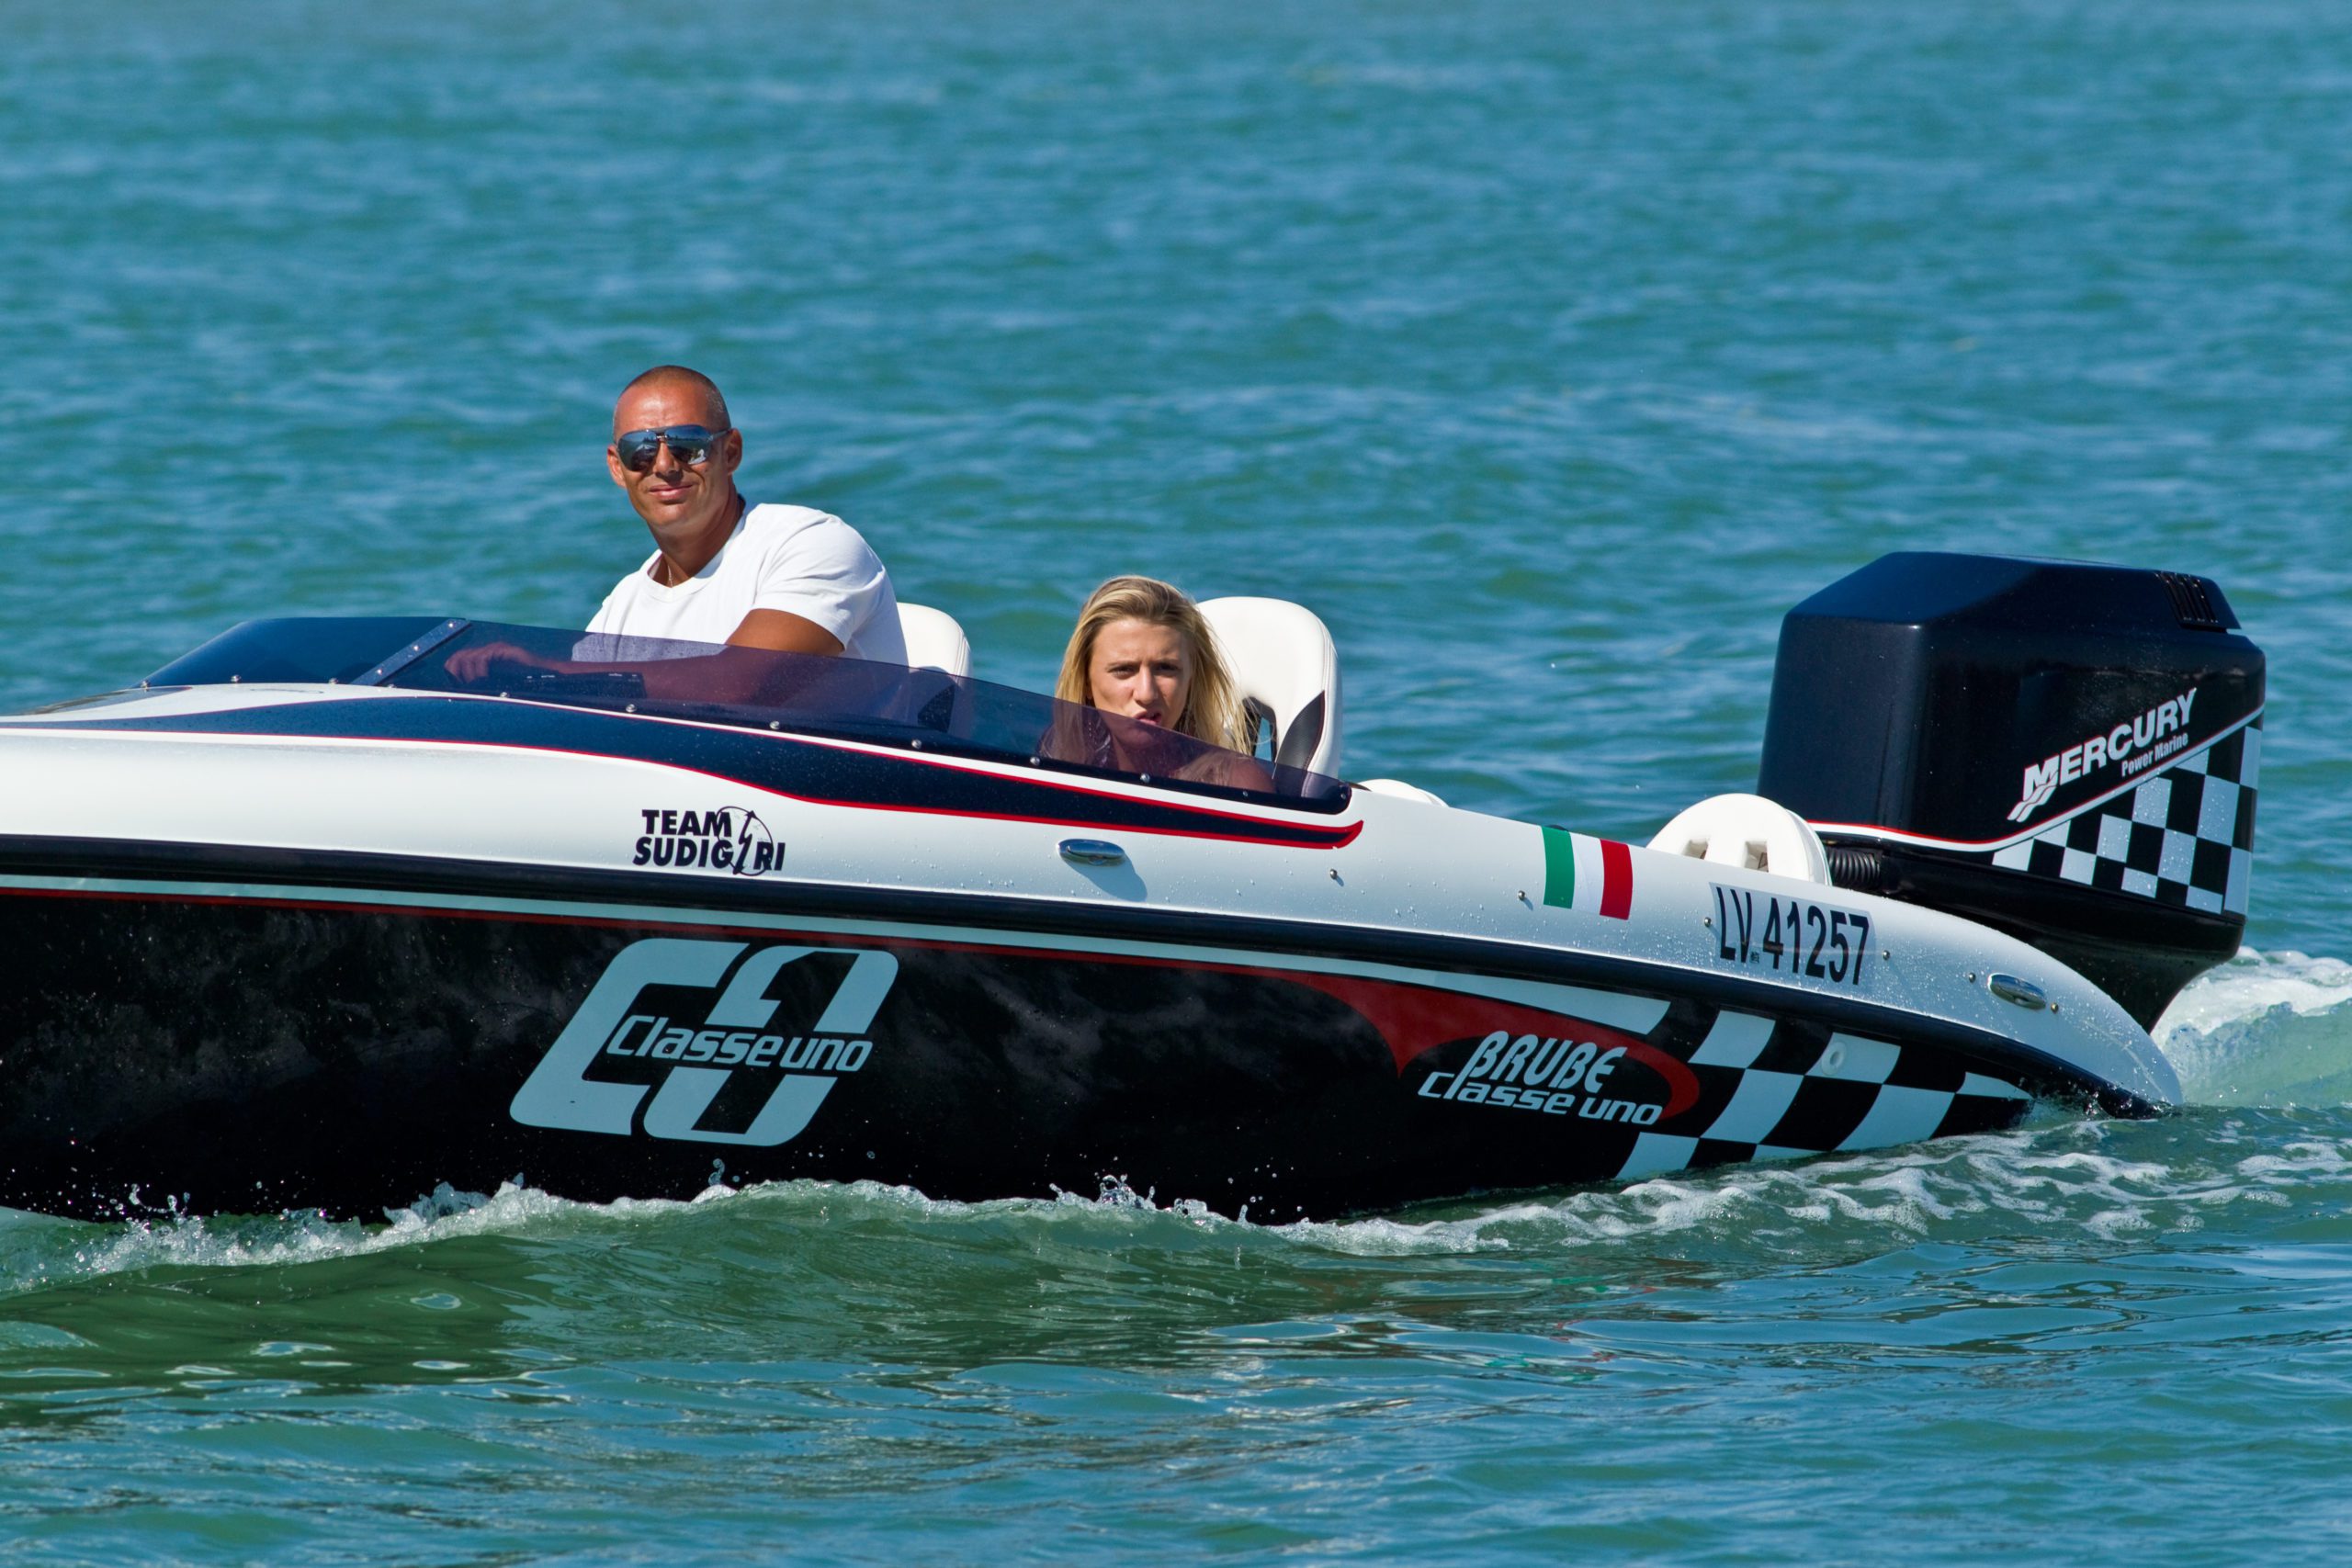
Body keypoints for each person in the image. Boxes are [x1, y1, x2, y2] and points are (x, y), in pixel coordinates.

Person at [586, 366, 905, 662]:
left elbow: (735, 682)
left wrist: (603, 680)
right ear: (617, 466)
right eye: (640, 449)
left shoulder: (815, 544)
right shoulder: (620, 609)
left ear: (731, 452)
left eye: (688, 445)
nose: (664, 465)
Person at [1048, 576, 1269, 786]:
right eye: (1124, 669)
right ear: (1086, 680)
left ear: (1191, 679)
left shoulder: (1235, 783)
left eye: (1166, 668)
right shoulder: (1055, 763)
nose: (1146, 694)